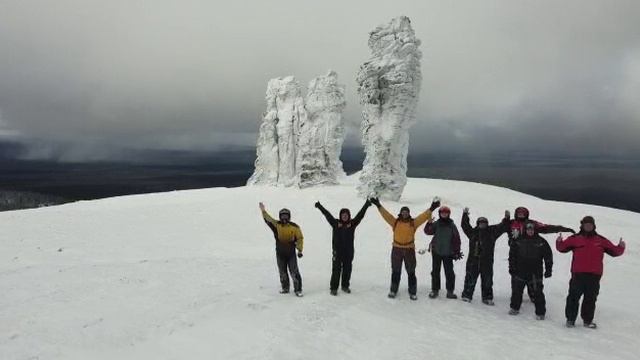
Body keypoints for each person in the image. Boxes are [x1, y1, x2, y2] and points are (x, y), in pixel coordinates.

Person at [556, 216, 626, 329]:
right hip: (578, 274)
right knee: (573, 297)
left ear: (593, 226)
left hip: (594, 276)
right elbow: (562, 248)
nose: (588, 226)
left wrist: (621, 247)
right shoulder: (575, 238)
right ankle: (570, 320)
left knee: (590, 298)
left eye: (590, 224)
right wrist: (559, 242)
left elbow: (614, 251)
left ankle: (587, 321)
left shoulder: (601, 240)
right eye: (586, 224)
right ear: (582, 226)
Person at [369, 196, 441, 300]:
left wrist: (432, 208)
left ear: (409, 213)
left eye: (406, 212)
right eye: (403, 212)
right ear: (400, 213)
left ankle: (412, 292)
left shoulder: (413, 223)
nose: (405, 213)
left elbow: (423, 216)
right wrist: (378, 205)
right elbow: (386, 215)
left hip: (409, 250)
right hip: (396, 249)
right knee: (396, 271)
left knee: (411, 271)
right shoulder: (395, 222)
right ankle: (393, 290)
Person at [315, 199, 372, 295]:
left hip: (348, 252)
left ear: (349, 216)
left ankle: (345, 286)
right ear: (340, 216)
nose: (344, 216)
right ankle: (334, 288)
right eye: (343, 215)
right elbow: (327, 214)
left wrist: (366, 205)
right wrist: (320, 206)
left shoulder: (352, 224)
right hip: (337, 252)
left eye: (346, 215)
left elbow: (360, 215)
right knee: (336, 270)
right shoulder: (335, 223)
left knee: (347, 270)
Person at [459, 208, 510, 305]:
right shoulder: (473, 232)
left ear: (487, 224)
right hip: (473, 261)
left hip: (487, 261)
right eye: (480, 223)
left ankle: (487, 297)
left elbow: (501, 227)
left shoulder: (492, 232)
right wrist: (465, 215)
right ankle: (467, 295)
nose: (482, 224)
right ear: (477, 224)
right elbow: (465, 226)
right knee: (470, 278)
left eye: (484, 223)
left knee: (487, 280)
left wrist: (506, 218)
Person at [508, 222, 553, 320]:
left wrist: (548, 269)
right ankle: (515, 308)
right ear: (525, 230)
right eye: (528, 229)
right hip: (520, 270)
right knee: (517, 291)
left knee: (538, 292)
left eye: (532, 230)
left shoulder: (541, 241)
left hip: (535, 272)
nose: (530, 231)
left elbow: (548, 256)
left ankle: (540, 312)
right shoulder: (518, 240)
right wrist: (512, 267)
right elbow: (512, 255)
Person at [259, 202, 304, 297]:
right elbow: (269, 219)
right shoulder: (277, 225)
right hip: (280, 252)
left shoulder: (294, 227)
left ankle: (298, 289)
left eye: (286, 216)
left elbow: (300, 238)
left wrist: (299, 250)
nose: (284, 218)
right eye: (282, 216)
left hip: (291, 253)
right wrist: (263, 211)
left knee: (294, 271)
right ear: (280, 217)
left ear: (289, 217)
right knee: (282, 271)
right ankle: (285, 288)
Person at [423, 206, 463, 299]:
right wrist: (429, 223)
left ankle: (450, 291)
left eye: (446, 213)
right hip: (437, 251)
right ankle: (435, 290)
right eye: (442, 213)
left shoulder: (452, 225)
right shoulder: (437, 224)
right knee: (435, 272)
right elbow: (428, 231)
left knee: (449, 272)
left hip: (448, 253)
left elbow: (457, 239)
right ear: (439, 214)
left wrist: (456, 251)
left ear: (449, 214)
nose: (444, 214)